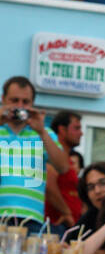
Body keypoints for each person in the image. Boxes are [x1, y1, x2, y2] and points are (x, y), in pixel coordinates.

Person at [0, 75, 70, 232]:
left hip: (31, 218)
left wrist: (42, 132)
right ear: (3, 99)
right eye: (14, 100)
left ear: (32, 103)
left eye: (25, 102)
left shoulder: (43, 133)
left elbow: (63, 167)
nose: (19, 106)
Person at [45, 110, 83, 231]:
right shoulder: (53, 158)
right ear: (62, 130)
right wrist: (67, 213)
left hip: (67, 227)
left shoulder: (68, 161)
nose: (81, 133)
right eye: (76, 128)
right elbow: (49, 186)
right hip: (56, 226)